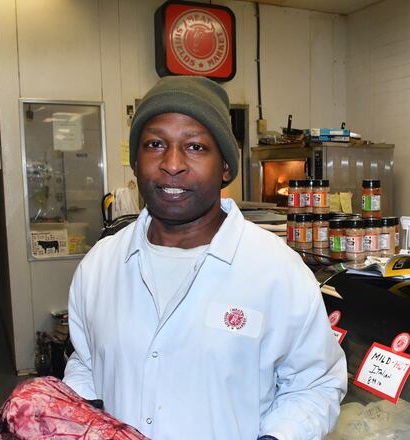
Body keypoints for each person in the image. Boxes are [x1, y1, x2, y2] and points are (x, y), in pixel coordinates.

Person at [63, 75, 348, 439]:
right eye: (154, 144)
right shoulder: (100, 265)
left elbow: (315, 384)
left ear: (226, 168)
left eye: (195, 147)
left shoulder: (275, 269)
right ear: (135, 162)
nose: (172, 163)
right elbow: (86, 363)